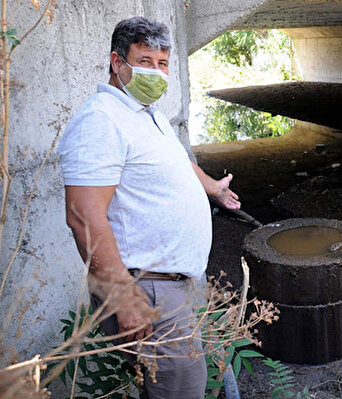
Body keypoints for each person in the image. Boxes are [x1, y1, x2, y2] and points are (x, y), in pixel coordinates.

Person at [58, 16, 239, 398]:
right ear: (116, 62)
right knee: (179, 391)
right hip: (147, 290)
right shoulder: (100, 121)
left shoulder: (145, 113)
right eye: (144, 61)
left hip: (171, 285)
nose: (155, 73)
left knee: (176, 385)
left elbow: (176, 162)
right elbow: (82, 216)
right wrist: (123, 297)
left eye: (162, 64)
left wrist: (213, 189)